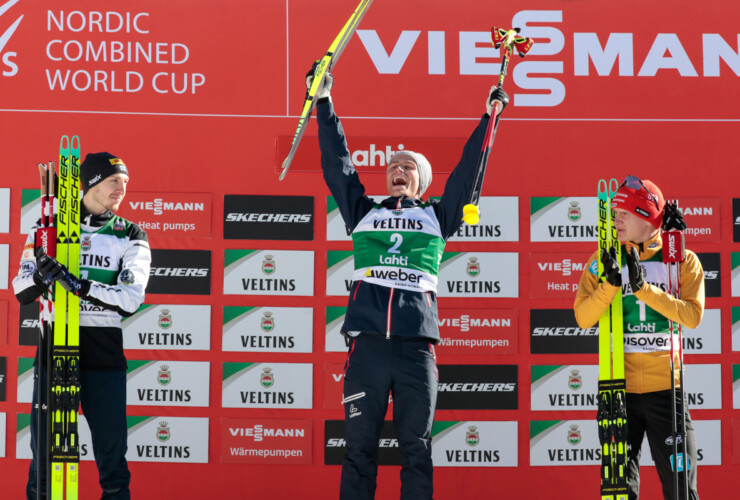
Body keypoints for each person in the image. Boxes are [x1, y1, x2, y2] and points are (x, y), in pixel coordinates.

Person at [309, 66, 508, 499]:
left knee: (416, 449)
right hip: (368, 349)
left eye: (408, 167)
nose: (398, 171)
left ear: (422, 180)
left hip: (417, 350)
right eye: (393, 166)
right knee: (358, 449)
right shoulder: (363, 212)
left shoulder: (438, 216)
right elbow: (336, 164)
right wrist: (323, 104)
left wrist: (488, 117)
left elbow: (469, 172)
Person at [13, 152, 151, 500]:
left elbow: (131, 298)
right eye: (113, 181)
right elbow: (21, 290)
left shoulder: (130, 233)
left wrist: (79, 285)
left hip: (103, 353)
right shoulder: (48, 226)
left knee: (112, 461)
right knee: (44, 461)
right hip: (55, 347)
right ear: (91, 183)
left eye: (125, 182)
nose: (122, 188)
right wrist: (43, 278)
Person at [574, 176, 704, 500]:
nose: (615, 220)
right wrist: (609, 286)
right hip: (620, 390)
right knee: (620, 493)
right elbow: (582, 317)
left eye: (624, 214)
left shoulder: (682, 260)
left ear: (647, 217)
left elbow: (693, 316)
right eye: (614, 212)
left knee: (681, 491)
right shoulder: (604, 258)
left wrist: (645, 290)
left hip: (667, 391)